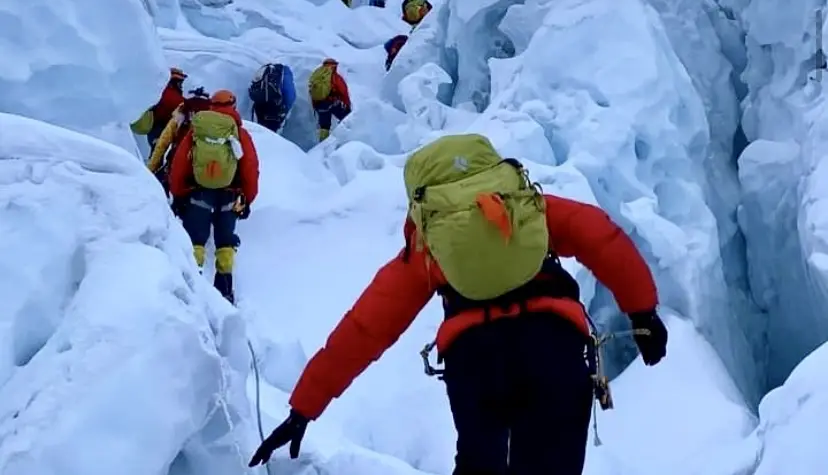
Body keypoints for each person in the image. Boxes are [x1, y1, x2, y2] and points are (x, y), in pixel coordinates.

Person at [249, 134, 667, 473]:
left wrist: (304, 408)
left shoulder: (429, 247)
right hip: (555, 349)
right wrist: (643, 312)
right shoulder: (531, 210)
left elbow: (365, 328)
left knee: (478, 464)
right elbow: (602, 237)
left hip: (476, 365)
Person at [168, 90, 260, 303]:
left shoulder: (197, 130)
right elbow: (250, 169)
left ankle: (193, 289)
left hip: (198, 194)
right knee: (225, 242)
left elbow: (180, 164)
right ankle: (224, 291)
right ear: (233, 105)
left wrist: (179, 194)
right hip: (230, 196)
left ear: (211, 106)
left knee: (196, 240)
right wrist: (246, 199)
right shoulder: (239, 133)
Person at [146, 86, 211, 197]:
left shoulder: (182, 112)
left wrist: (151, 170)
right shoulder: (213, 115)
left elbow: (162, 144)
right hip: (205, 170)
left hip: (177, 167)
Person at [131, 68, 188, 151]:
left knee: (155, 154)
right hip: (161, 130)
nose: (181, 85)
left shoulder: (159, 92)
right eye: (180, 82)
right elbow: (176, 105)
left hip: (154, 131)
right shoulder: (171, 94)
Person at [307, 58, 351, 142]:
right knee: (346, 119)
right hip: (332, 103)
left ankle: (322, 144)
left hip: (320, 105)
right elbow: (343, 92)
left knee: (324, 126)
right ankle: (346, 138)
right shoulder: (335, 77)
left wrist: (315, 106)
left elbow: (312, 91)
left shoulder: (316, 74)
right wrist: (347, 105)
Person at [249, 63, 296, 133]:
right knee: (270, 134)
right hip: (275, 111)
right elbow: (290, 95)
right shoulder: (285, 73)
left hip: (260, 107)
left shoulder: (266, 73)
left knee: (261, 131)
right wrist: (285, 110)